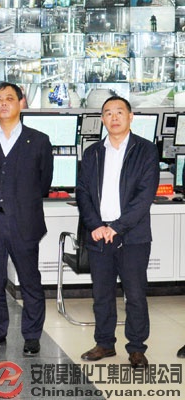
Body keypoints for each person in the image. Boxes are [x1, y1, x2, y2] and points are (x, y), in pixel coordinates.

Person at [77, 96, 159, 369]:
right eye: (108, 113)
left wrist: (117, 227)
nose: (114, 117)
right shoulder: (92, 152)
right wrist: (96, 225)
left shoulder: (145, 150)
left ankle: (136, 348)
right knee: (102, 293)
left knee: (134, 294)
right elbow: (83, 192)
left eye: (119, 112)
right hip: (99, 234)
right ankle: (104, 343)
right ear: (102, 119)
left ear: (130, 116)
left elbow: (144, 196)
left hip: (133, 235)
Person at [0, 82, 53, 357]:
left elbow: (44, 182)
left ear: (21, 103)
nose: (4, 103)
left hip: (24, 222)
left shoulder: (39, 140)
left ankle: (31, 336)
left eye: (10, 98)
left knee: (29, 281)